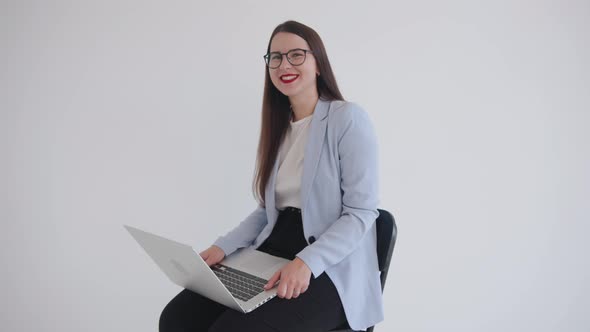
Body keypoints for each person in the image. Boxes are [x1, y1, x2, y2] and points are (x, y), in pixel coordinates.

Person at [159, 20, 382, 332]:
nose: (283, 64)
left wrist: (307, 262)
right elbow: (268, 211)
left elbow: (360, 213)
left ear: (318, 63)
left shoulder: (348, 119)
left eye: (296, 55)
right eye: (275, 57)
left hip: (330, 266)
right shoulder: (280, 127)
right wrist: (223, 247)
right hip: (272, 253)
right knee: (177, 318)